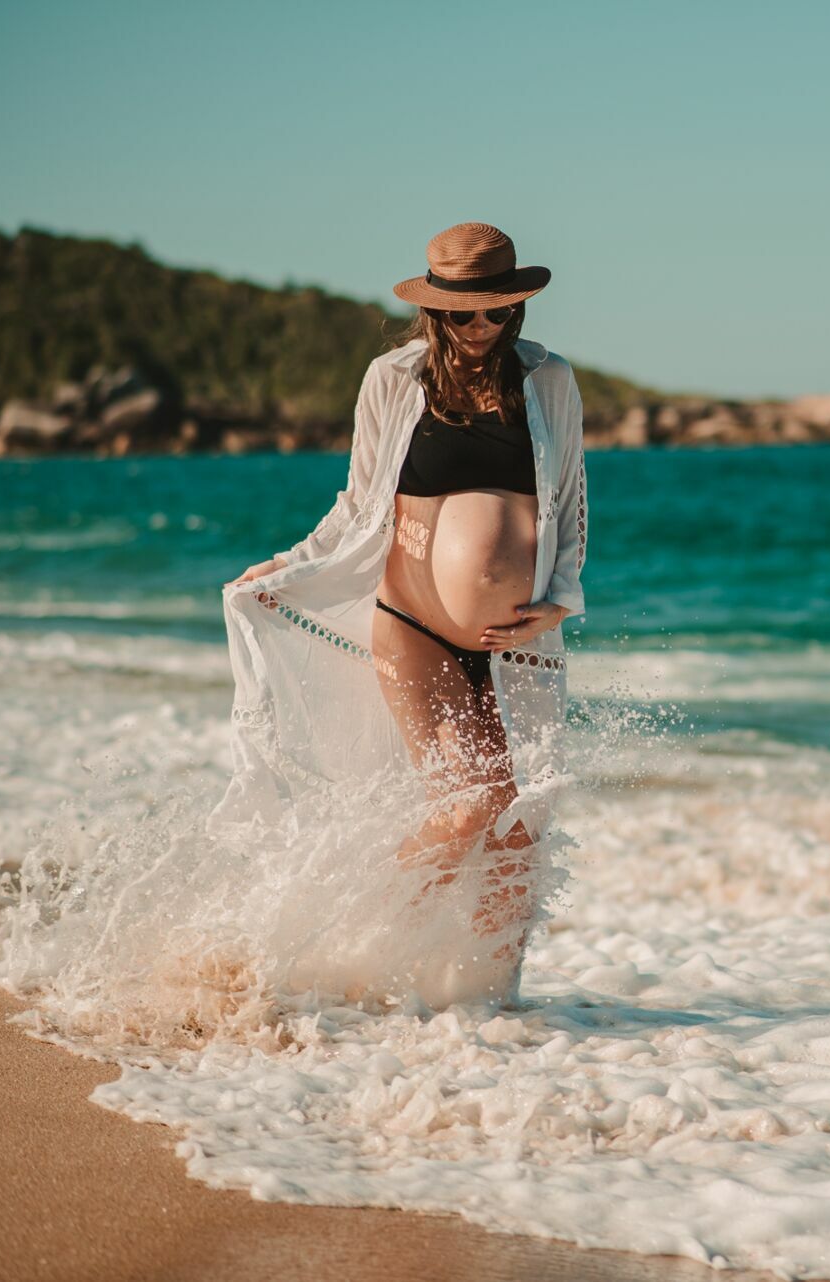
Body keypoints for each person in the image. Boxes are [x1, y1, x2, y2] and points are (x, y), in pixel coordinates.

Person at [217, 222, 587, 1007]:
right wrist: (289, 563)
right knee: (464, 811)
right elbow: (356, 502)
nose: (481, 328)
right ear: (435, 311)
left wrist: (559, 602)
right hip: (414, 626)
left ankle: (485, 1004)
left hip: (518, 641)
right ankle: (364, 956)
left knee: (519, 827)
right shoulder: (394, 378)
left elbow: (571, 501)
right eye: (464, 314)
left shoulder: (548, 381)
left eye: (497, 312)